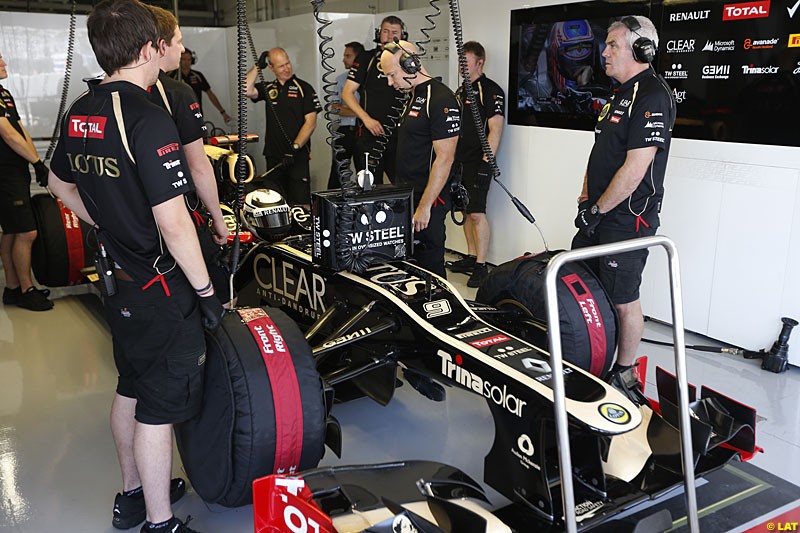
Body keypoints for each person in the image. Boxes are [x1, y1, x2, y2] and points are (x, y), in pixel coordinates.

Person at [47, 1, 224, 531]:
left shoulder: (80, 108)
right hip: (159, 286)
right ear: (150, 49)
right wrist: (208, 293)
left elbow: (58, 186)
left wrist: (106, 223)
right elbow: (174, 225)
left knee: (131, 384)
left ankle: (132, 492)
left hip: (117, 281)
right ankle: (159, 519)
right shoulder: (148, 117)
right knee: (159, 406)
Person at [571, 16, 674, 401]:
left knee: (623, 299)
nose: (604, 51)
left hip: (627, 220)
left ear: (642, 51)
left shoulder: (653, 94)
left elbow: (635, 168)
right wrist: (586, 198)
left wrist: (597, 211)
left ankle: (625, 373)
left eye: (613, 44)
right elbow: (599, 153)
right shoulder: (618, 93)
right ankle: (589, 356)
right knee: (582, 288)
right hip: (597, 213)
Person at [146, 5, 231, 307]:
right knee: (218, 298)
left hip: (130, 240)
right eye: (178, 41)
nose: (182, 49)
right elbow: (197, 165)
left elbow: (62, 183)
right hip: (179, 220)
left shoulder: (93, 98)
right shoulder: (177, 93)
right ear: (159, 46)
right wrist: (218, 219)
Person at [380, 41, 460, 277]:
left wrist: (424, 208)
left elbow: (445, 160)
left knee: (430, 269)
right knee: (409, 267)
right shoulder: (412, 96)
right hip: (407, 197)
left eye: (392, 74)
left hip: (428, 202)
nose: (389, 81)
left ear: (410, 63)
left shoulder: (441, 99)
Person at [445, 41, 505, 288]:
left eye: (465, 62)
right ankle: (470, 257)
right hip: (459, 161)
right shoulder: (460, 91)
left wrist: (485, 163)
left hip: (479, 162)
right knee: (464, 212)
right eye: (460, 62)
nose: (461, 67)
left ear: (480, 63)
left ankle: (481, 264)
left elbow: (496, 130)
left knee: (478, 213)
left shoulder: (490, 90)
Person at [0, 51, 54, 311]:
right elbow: (8, 135)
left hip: (16, 169)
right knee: (26, 231)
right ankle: (26, 289)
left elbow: (20, 129)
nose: (4, 62)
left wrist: (36, 161)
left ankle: (11, 287)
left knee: (11, 231)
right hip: (3, 174)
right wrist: (36, 162)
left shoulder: (4, 94)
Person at [244, 47, 322, 207]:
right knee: (275, 203)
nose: (287, 68)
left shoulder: (304, 88)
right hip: (274, 156)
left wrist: (295, 147)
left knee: (301, 204)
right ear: (271, 68)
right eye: (281, 66)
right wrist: (257, 67)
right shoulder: (268, 88)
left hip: (296, 156)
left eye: (287, 64)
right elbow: (246, 89)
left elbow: (311, 122)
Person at [342, 16, 407, 184]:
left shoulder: (408, 60)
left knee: (404, 187)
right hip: (370, 135)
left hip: (400, 136)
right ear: (379, 33)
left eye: (395, 32)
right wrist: (366, 119)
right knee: (368, 187)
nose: (389, 36)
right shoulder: (366, 58)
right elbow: (347, 93)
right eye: (385, 31)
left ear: (403, 35)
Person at [328, 41, 364, 189]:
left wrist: (349, 108)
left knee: (364, 173)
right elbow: (335, 108)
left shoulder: (369, 80)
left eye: (348, 56)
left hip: (363, 132)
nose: (344, 60)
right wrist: (361, 112)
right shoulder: (341, 80)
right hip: (345, 131)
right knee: (338, 173)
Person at [170, 47, 232, 124]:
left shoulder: (197, 76)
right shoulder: (172, 76)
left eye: (189, 60)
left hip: (196, 114)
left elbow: (210, 94)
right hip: (177, 116)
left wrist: (223, 112)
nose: (186, 62)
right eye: (184, 59)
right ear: (179, 60)